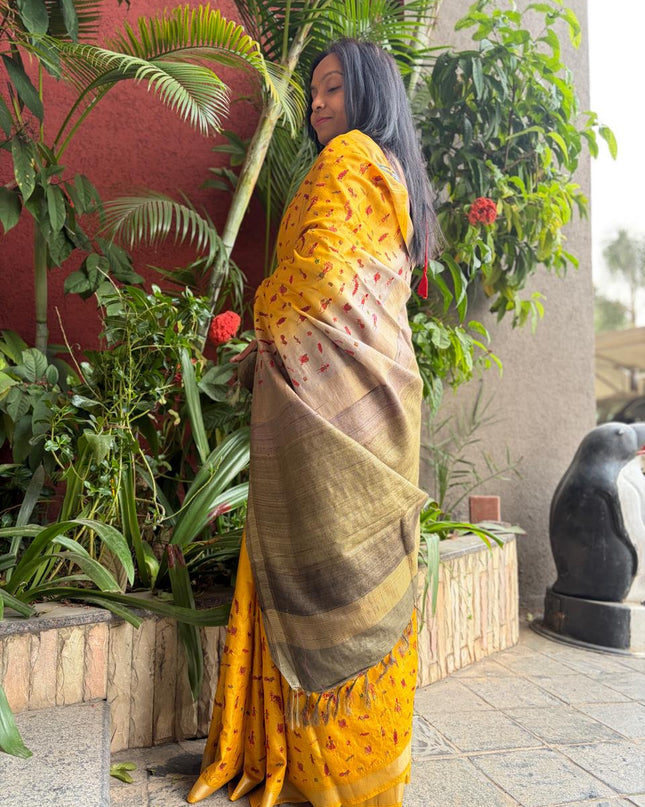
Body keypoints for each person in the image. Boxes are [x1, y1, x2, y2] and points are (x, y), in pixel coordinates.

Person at [188, 37, 438, 807]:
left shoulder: (348, 159)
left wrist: (263, 308)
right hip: (382, 402)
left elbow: (322, 279)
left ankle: (307, 764)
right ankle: (365, 768)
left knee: (317, 575)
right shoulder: (392, 175)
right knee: (364, 582)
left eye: (332, 87)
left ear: (368, 94)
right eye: (314, 91)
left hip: (329, 417)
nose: (318, 103)